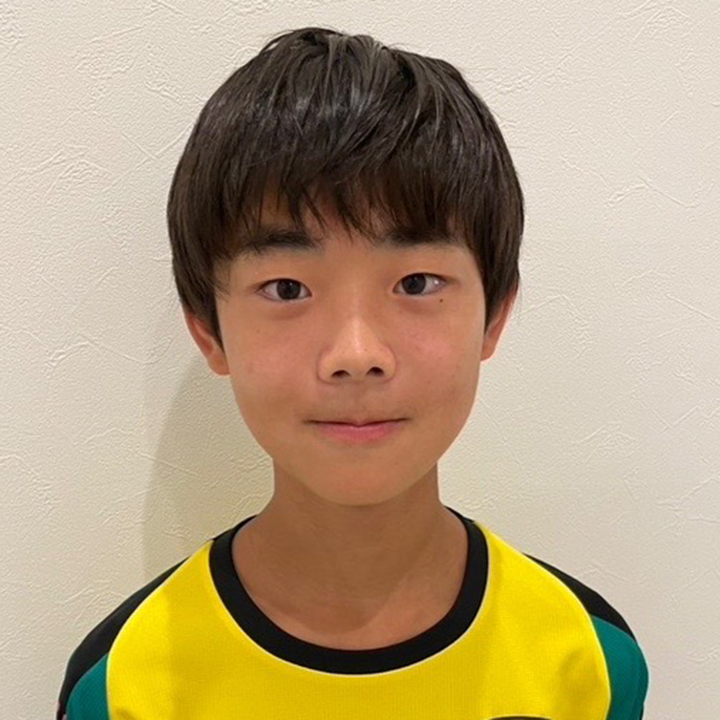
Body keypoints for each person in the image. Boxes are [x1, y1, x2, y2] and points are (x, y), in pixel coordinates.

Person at [56, 26, 649, 719]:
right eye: (286, 289)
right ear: (208, 330)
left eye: (417, 283)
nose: (356, 351)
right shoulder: (123, 684)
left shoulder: (588, 660)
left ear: (494, 316)